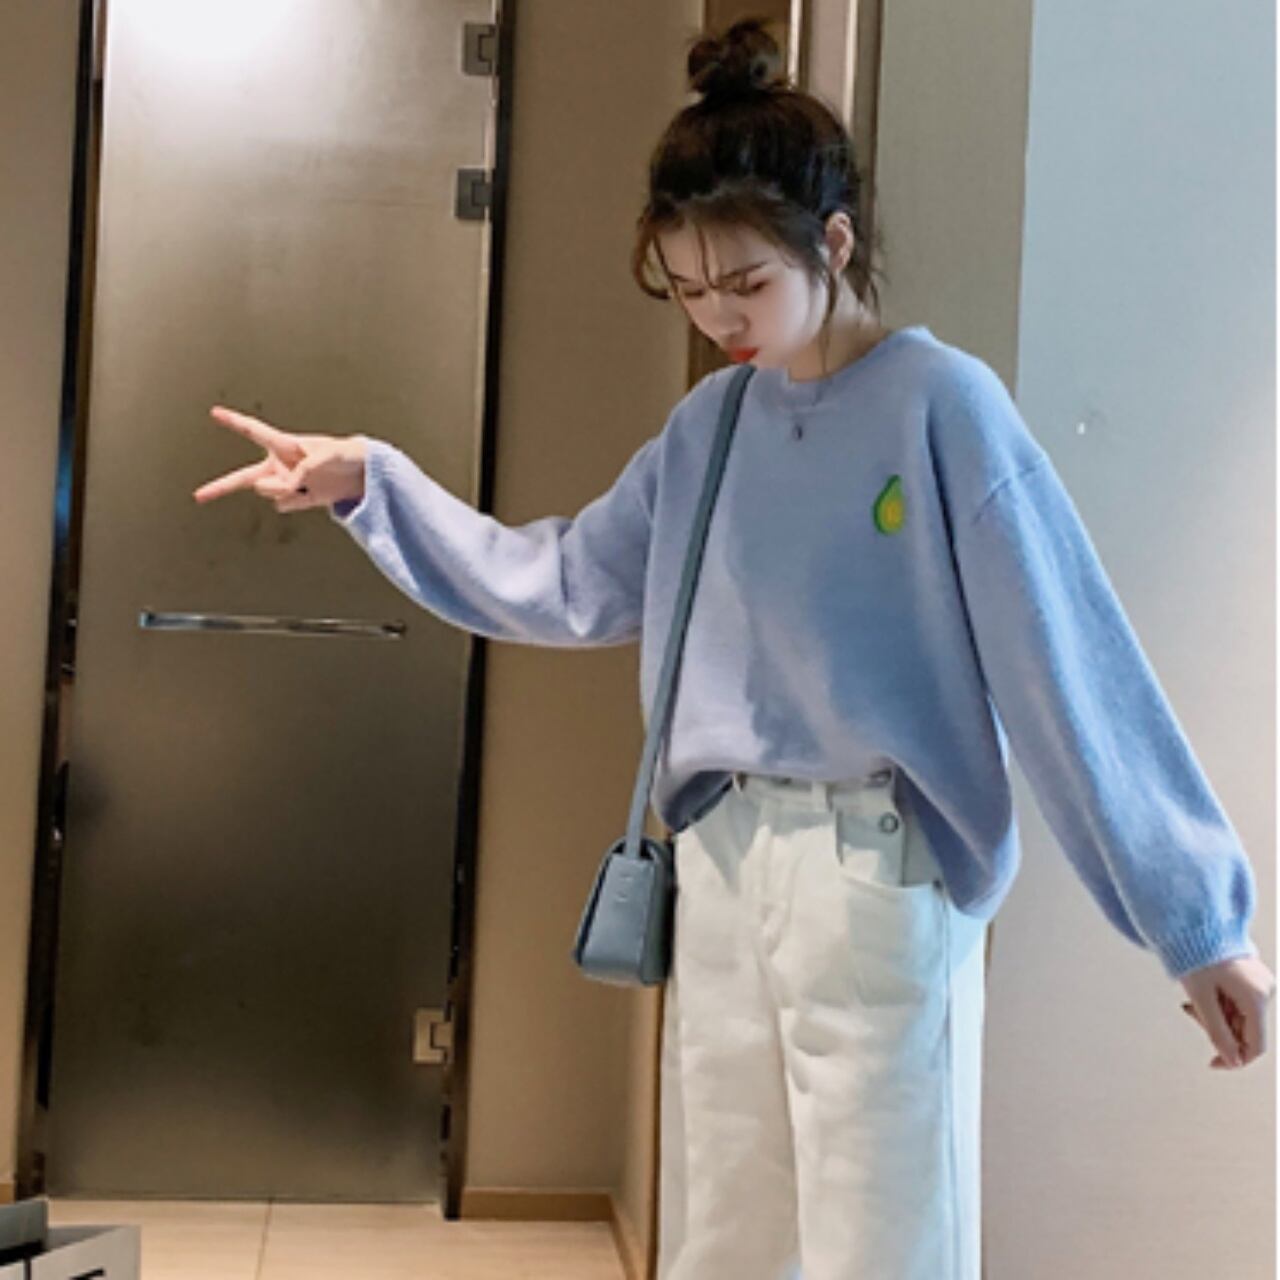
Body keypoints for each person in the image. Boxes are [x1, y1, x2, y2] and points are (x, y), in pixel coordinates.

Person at [193, 17, 1275, 1280]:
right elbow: (562, 581)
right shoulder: (709, 423)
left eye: (744, 285)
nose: (717, 318)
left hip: (875, 868)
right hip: (718, 864)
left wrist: (1193, 921)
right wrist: (372, 483)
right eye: (688, 289)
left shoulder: (940, 406)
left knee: (883, 1244)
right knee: (724, 1238)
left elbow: (1063, 660)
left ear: (833, 242)